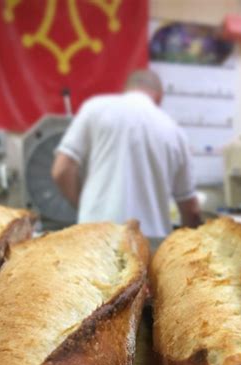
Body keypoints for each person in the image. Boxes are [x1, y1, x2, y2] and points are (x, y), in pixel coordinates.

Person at [51, 69, 201, 238]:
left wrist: (83, 205)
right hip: (149, 246)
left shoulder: (95, 109)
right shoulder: (175, 131)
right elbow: (191, 210)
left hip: (95, 240)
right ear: (159, 97)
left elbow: (61, 170)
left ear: (126, 89)